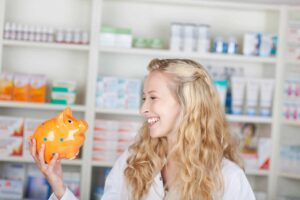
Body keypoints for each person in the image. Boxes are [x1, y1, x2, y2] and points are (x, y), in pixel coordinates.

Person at [29, 58, 255, 200]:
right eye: (143, 98)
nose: (143, 109)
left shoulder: (228, 178)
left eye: (153, 98)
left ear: (188, 104)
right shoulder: (133, 161)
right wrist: (59, 187)